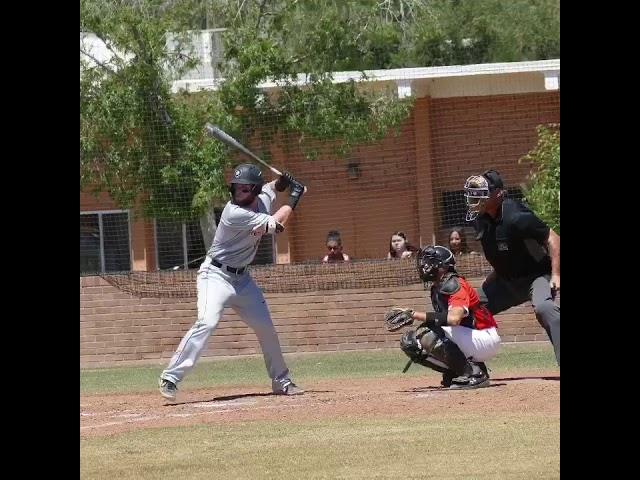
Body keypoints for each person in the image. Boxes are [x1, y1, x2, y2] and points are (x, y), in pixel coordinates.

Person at [159, 164, 307, 401]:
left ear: (255, 190)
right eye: (237, 188)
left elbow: (270, 188)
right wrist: (294, 195)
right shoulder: (234, 213)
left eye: (246, 189)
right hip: (215, 276)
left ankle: (282, 381)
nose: (240, 193)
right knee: (207, 321)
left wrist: (280, 183)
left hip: (242, 279)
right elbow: (277, 225)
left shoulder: (262, 196)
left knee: (266, 327)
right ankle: (171, 377)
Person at [464, 169, 560, 365]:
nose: (476, 197)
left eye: (483, 192)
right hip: (505, 282)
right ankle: (468, 368)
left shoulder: (517, 216)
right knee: (466, 311)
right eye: (474, 192)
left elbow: (553, 238)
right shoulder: (479, 218)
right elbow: (501, 248)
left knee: (545, 308)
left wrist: (556, 275)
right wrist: (496, 272)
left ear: (498, 194)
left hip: (535, 277)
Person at [385, 246, 500, 389]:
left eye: (428, 262)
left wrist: (414, 315)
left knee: (426, 333)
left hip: (484, 336)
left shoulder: (454, 284)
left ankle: (473, 374)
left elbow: (454, 319)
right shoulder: (437, 287)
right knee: (410, 343)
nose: (424, 266)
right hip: (470, 336)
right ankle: (459, 370)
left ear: (441, 266)